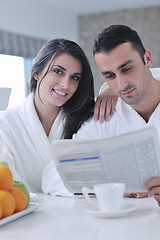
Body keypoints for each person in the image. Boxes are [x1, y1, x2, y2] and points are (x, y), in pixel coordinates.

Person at [0, 38, 108, 196]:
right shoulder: (6, 125)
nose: (66, 84)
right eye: (58, 71)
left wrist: (110, 89)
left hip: (78, 213)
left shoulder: (85, 117)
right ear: (37, 72)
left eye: (75, 77)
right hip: (25, 213)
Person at [72, 25, 160, 204]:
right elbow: (54, 175)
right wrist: (119, 185)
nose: (121, 85)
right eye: (110, 76)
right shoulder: (104, 116)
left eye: (127, 69)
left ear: (148, 58)